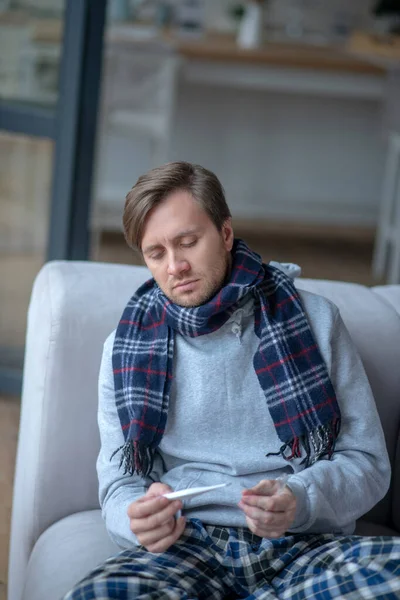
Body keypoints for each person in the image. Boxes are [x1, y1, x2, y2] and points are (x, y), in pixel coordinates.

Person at [65, 162, 400, 599]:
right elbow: (119, 482)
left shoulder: (315, 321)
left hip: (304, 543)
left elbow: (368, 464)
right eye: (156, 253)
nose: (175, 266)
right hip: (186, 544)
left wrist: (298, 500)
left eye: (188, 242)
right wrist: (135, 517)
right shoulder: (125, 348)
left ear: (225, 234)